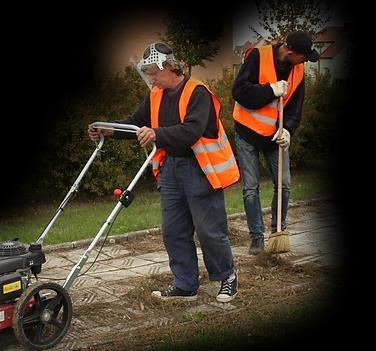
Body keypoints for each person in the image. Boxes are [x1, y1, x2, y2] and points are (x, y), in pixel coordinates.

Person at [89, 42, 240, 302]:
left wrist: (156, 133)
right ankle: (185, 285)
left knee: (208, 230)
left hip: (200, 169)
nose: (150, 78)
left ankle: (227, 277)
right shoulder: (155, 95)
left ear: (169, 68)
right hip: (170, 170)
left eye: (153, 72)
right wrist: (109, 130)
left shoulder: (198, 92)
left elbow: (191, 130)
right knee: (174, 230)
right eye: (147, 72)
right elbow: (137, 123)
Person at [232, 31, 319, 254]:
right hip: (247, 132)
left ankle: (278, 230)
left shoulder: (298, 69)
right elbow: (239, 91)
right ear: (290, 52)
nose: (305, 61)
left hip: (275, 135)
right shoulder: (257, 57)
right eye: (304, 56)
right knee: (251, 188)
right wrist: (270, 90)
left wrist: (288, 130)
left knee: (285, 185)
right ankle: (257, 237)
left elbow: (295, 106)